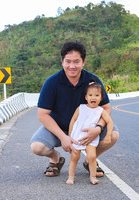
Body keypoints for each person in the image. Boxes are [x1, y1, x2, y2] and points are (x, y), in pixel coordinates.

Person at [30, 40, 119, 178]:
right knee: (37, 147)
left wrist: (98, 128)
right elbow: (42, 115)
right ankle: (55, 159)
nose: (72, 66)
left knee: (113, 134)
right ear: (62, 61)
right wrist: (63, 137)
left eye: (76, 61)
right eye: (68, 61)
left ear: (83, 62)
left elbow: (106, 108)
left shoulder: (93, 80)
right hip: (59, 128)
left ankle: (90, 160)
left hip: (86, 129)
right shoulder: (52, 83)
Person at [66, 80, 113, 185]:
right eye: (90, 95)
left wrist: (108, 135)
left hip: (91, 136)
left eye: (97, 95)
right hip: (77, 135)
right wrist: (70, 134)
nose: (93, 97)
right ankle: (71, 177)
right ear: (86, 97)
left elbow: (109, 122)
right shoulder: (81, 107)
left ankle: (93, 176)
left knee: (92, 156)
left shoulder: (101, 111)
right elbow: (73, 120)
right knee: (74, 156)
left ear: (101, 98)